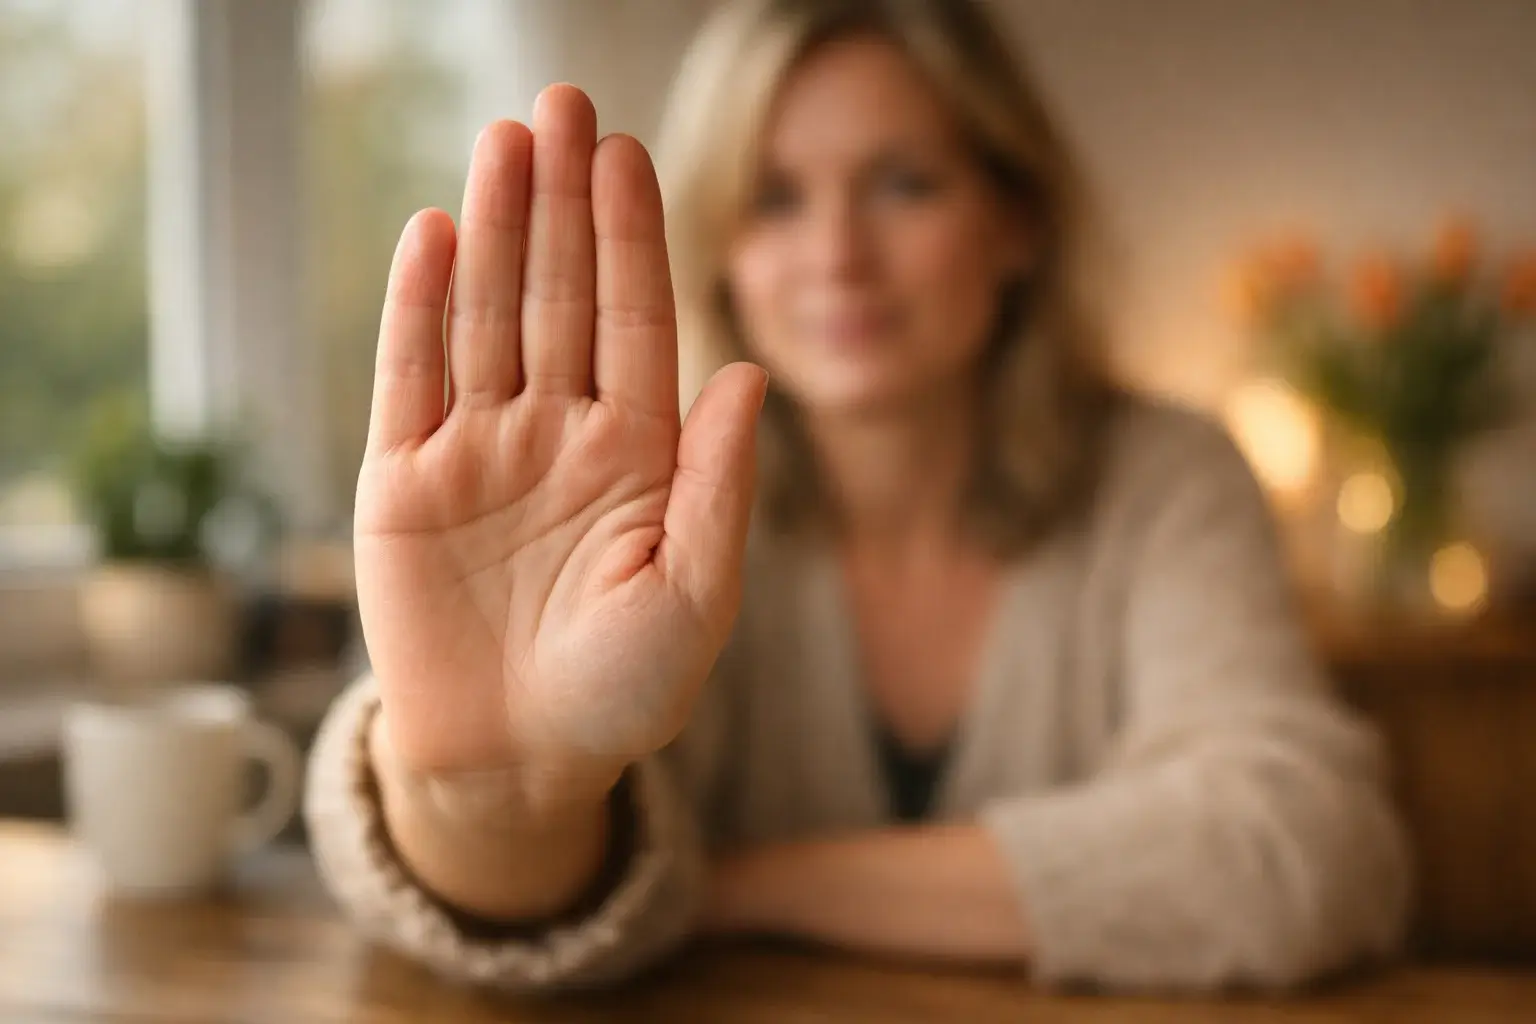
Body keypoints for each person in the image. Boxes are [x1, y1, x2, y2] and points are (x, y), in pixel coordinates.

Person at [303, 0, 1411, 995]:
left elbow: (1305, 849)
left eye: (903, 184)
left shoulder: (1166, 477)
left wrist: (738, 886)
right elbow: (480, 906)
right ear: (725, 249)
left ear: (1016, 217)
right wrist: (491, 794)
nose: (837, 255)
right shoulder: (620, 513)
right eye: (775, 198)